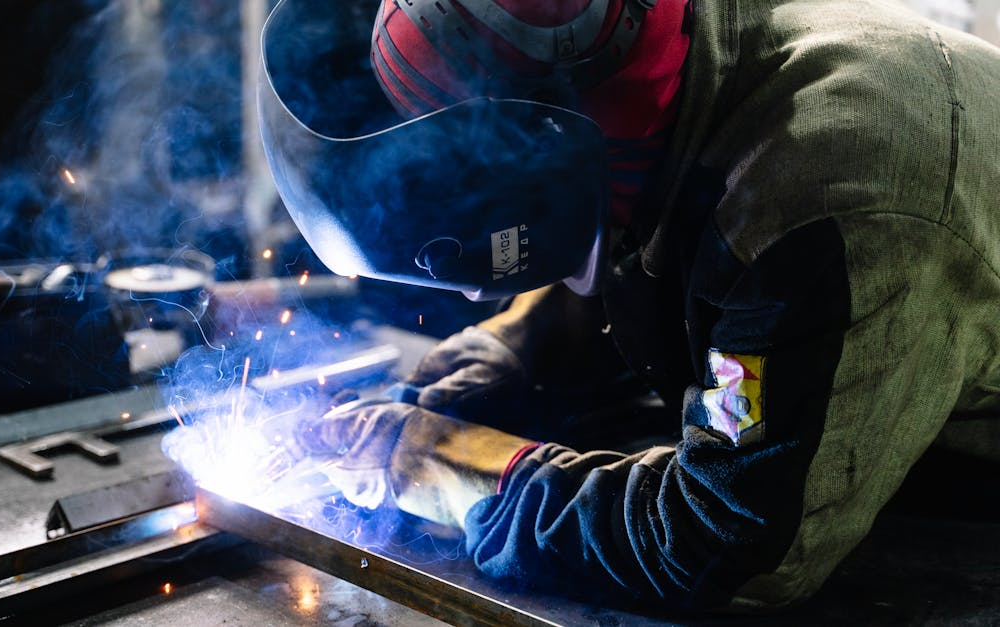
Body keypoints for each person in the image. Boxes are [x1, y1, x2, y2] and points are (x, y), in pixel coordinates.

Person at [258, 0, 1000, 612]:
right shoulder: (683, 58)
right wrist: (515, 351)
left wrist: (445, 465)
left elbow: (720, 545)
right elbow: (653, 230)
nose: (471, 294)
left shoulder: (827, 205)